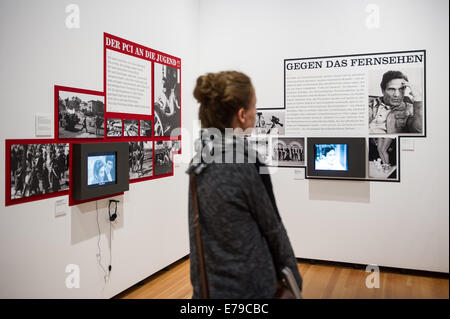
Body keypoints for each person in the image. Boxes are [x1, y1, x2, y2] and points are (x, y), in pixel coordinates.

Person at [187, 71, 302, 298]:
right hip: (252, 289)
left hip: (210, 289)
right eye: (254, 106)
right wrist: (294, 278)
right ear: (241, 114)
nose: (256, 113)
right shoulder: (244, 162)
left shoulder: (198, 163)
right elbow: (273, 228)